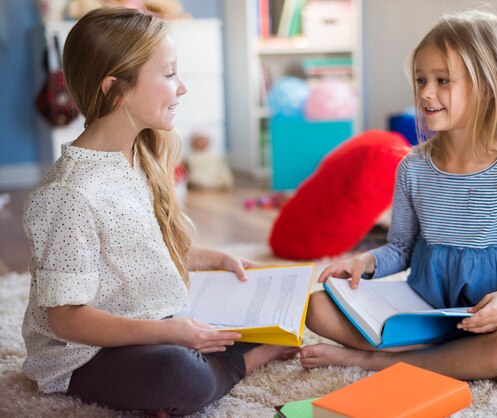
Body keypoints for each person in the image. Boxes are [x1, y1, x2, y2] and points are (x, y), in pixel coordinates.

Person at [22, 7, 296, 416]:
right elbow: (66, 320)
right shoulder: (69, 194)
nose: (182, 87)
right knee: (179, 374)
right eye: (169, 75)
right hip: (85, 354)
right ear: (116, 90)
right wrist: (169, 331)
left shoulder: (135, 157)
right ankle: (242, 364)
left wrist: (216, 259)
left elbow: (143, 251)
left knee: (285, 312)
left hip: (150, 322)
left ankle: (205, 364)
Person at [300, 10, 497, 387]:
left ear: (487, 86)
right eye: (421, 80)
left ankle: (376, 362)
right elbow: (400, 248)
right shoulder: (412, 168)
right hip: (422, 312)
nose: (425, 93)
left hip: (490, 319)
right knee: (317, 306)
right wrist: (365, 262)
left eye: (442, 80)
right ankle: (460, 362)